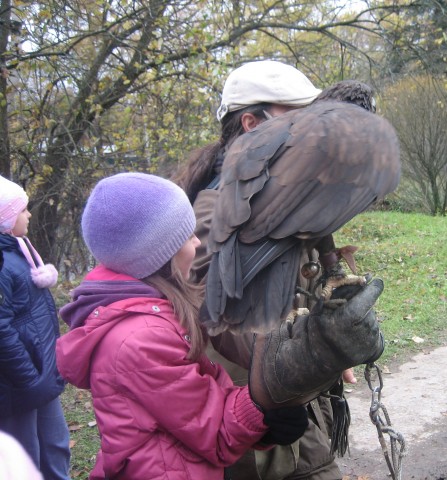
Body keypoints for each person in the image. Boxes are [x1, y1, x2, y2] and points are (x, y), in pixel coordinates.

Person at [55, 173, 309, 480]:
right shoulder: (141, 338)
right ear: (161, 255)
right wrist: (264, 407)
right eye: (188, 236)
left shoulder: (148, 315)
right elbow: (214, 431)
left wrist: (265, 423)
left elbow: (199, 406)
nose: (198, 242)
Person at [173, 60, 346, 480]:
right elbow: (226, 327)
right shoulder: (213, 218)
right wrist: (326, 346)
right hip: (258, 435)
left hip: (295, 405)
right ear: (252, 125)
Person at [0, 175, 70, 480]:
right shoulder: (3, 263)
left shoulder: (20, 250)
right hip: (17, 385)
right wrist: (28, 377)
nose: (29, 215)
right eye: (23, 210)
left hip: (40, 375)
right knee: (25, 457)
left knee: (56, 446)